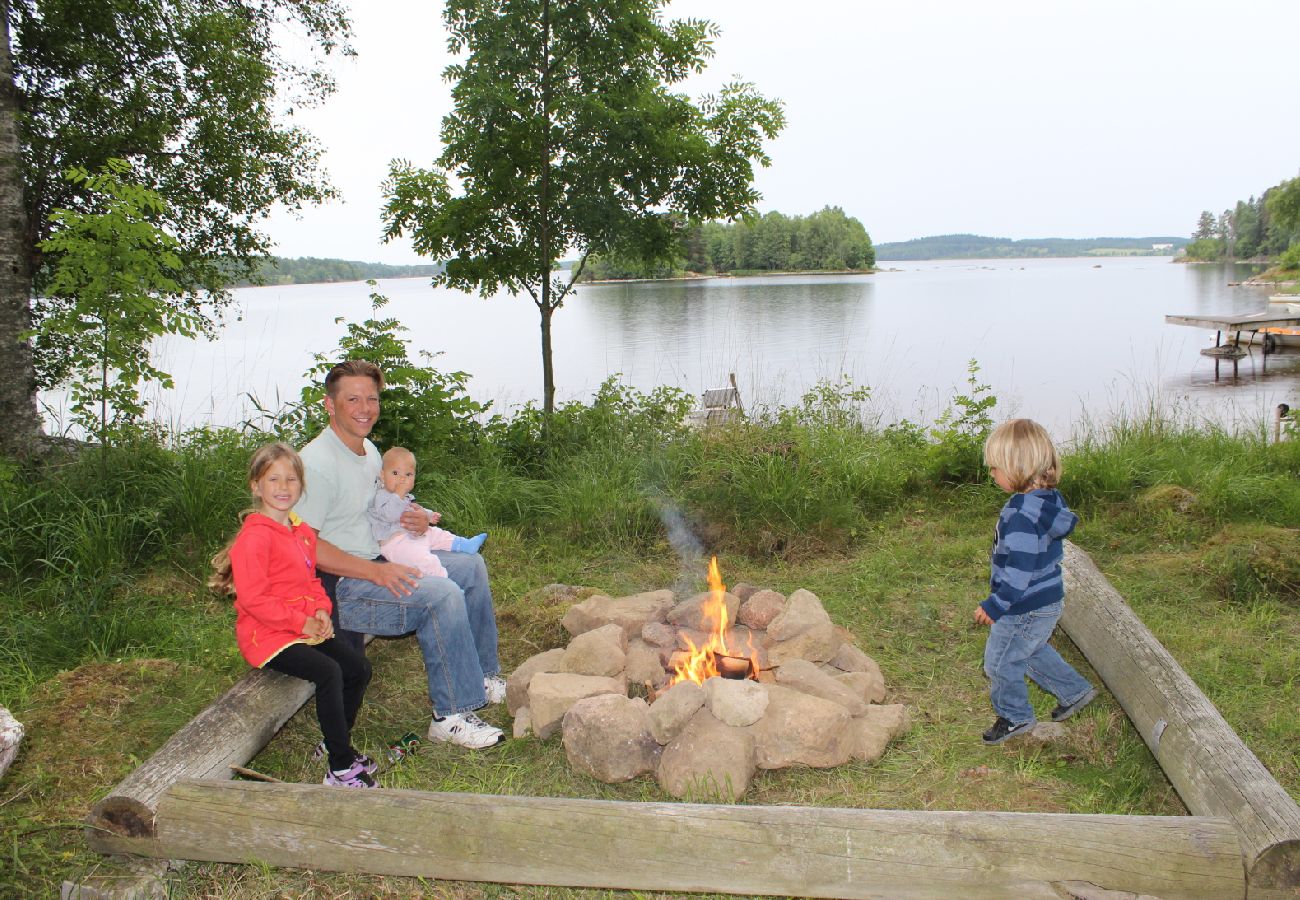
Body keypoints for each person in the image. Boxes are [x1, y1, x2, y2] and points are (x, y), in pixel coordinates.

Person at [294, 360, 506, 749]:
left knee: (471, 567)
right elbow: (308, 548)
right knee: (441, 595)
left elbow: (383, 507)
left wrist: (417, 521)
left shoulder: (369, 450)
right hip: (342, 586)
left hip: (378, 557)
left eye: (371, 398)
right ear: (329, 404)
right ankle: (450, 715)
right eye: (352, 398)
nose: (364, 408)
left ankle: (484, 677)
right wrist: (375, 573)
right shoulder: (317, 463)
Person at [210, 442, 377, 787]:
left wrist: (321, 610)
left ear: (302, 485)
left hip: (302, 626)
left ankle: (335, 739)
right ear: (256, 486)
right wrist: (302, 622)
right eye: (273, 480)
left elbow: (312, 580)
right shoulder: (254, 538)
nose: (284, 488)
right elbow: (255, 600)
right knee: (329, 672)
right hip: (267, 636)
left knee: (358, 667)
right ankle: (341, 768)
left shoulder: (300, 532)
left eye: (291, 479)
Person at [974, 418, 1098, 745]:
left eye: (995, 467)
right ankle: (1074, 691)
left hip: (1022, 604)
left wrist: (995, 605)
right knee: (1028, 650)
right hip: (1047, 597)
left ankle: (1015, 717)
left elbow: (1019, 571)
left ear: (1017, 467)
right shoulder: (1048, 500)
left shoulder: (1018, 515)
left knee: (999, 662)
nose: (992, 474)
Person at [368, 446, 488, 580]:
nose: (402, 479)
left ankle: (464, 544)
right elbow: (389, 515)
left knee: (438, 534)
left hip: (412, 535)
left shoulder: (406, 497)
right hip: (396, 544)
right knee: (425, 560)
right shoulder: (381, 496)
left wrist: (429, 515)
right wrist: (399, 494)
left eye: (408, 474)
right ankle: (444, 582)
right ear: (383, 476)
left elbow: (414, 509)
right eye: (395, 473)